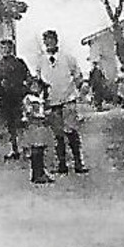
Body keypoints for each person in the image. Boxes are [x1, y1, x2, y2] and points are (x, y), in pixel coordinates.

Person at [40, 30, 89, 175]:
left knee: (72, 131)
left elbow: (78, 76)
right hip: (52, 101)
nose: (49, 43)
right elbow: (39, 80)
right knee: (58, 135)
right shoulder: (41, 60)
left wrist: (82, 88)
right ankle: (62, 164)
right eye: (46, 41)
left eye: (51, 40)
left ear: (56, 41)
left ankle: (78, 162)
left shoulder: (68, 58)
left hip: (68, 100)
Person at [0, 39, 31, 161]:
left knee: (21, 123)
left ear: (12, 49)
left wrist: (25, 90)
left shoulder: (19, 63)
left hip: (17, 96)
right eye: (3, 48)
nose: (5, 50)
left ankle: (26, 148)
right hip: (5, 98)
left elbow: (28, 77)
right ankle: (14, 149)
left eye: (8, 47)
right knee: (9, 124)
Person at [21, 77, 55, 184]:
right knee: (36, 149)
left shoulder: (41, 99)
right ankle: (36, 174)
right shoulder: (28, 98)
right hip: (34, 126)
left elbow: (46, 110)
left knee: (40, 149)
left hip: (40, 126)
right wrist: (40, 115)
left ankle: (41, 172)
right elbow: (28, 112)